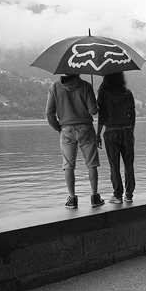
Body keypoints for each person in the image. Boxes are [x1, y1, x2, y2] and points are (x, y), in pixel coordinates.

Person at [46, 74, 104, 209]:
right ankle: (95, 198)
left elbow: (49, 112)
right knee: (91, 164)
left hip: (66, 129)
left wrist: (57, 127)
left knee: (68, 165)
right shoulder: (86, 86)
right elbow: (93, 111)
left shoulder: (54, 87)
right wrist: (96, 104)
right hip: (86, 128)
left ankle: (72, 199)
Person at [97, 72, 136, 204]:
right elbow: (132, 112)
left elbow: (102, 116)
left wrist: (97, 134)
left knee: (114, 165)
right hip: (127, 131)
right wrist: (131, 130)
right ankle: (129, 195)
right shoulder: (127, 92)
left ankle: (117, 195)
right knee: (129, 164)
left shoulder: (103, 93)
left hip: (111, 132)